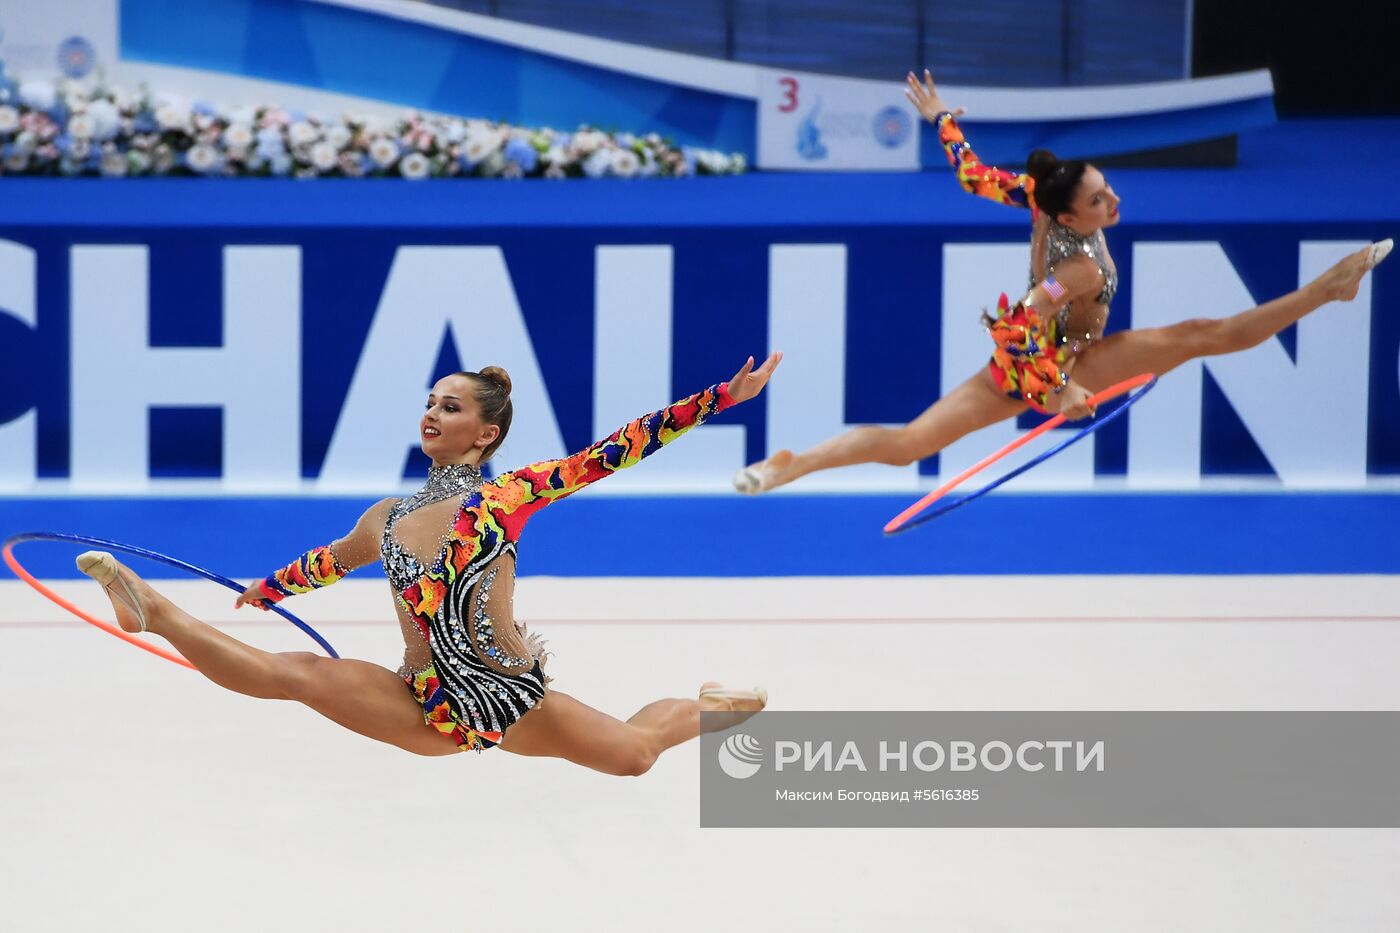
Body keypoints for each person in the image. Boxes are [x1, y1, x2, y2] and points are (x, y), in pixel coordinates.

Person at [77, 352, 782, 776]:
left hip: (509, 701)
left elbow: (618, 448)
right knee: (296, 674)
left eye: (449, 406)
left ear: (486, 432)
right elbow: (333, 559)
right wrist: (272, 586)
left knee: (633, 754)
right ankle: (155, 610)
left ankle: (711, 702)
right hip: (422, 703)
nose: (431, 413)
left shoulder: (510, 495)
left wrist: (721, 398)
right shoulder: (384, 515)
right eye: (429, 403)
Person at [733, 69, 1391, 494]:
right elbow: (1021, 322)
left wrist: (942, 119)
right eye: (1103, 201)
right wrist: (1064, 387)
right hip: (1050, 360)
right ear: (1074, 214)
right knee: (1202, 335)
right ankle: (1325, 290)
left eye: (1108, 190)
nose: (1115, 203)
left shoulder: (1035, 195)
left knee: (909, 445)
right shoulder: (1081, 268)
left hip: (1040, 359)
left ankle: (797, 462)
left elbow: (970, 175)